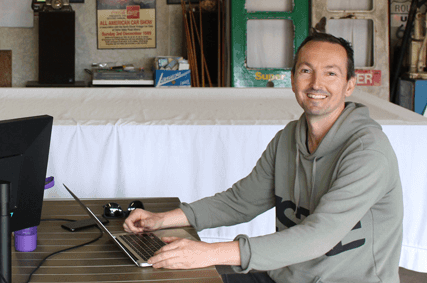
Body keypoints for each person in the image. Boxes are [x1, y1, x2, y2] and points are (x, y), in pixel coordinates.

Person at [124, 32, 403, 283]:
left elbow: (320, 236)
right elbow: (241, 201)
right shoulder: (288, 139)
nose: (316, 83)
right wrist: (163, 219)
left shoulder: (368, 152)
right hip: (284, 274)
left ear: (350, 85)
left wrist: (210, 253)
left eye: (331, 73)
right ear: (293, 80)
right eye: (307, 71)